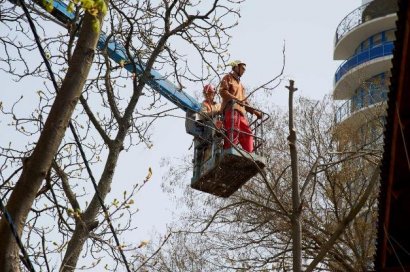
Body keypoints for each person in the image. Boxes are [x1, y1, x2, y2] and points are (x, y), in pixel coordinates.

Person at [219, 60, 262, 153]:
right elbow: (222, 91)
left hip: (241, 112)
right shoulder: (228, 78)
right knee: (233, 131)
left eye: (244, 69)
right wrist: (235, 99)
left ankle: (250, 154)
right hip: (231, 109)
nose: (243, 71)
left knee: (248, 133)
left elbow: (244, 101)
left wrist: (255, 112)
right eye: (242, 68)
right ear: (235, 67)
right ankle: (229, 151)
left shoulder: (241, 85)